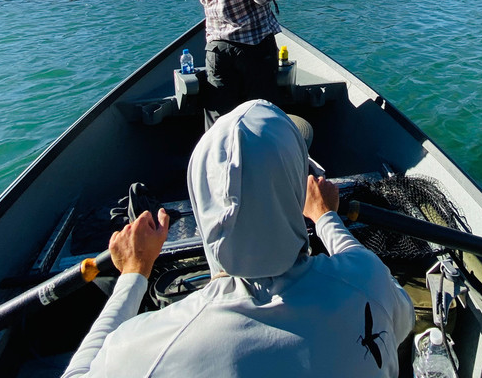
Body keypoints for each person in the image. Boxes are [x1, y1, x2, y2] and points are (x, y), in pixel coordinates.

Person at [62, 100, 414, 377]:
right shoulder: (368, 282)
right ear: (296, 184)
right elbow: (399, 313)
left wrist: (133, 275)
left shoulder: (141, 350)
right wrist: (326, 218)